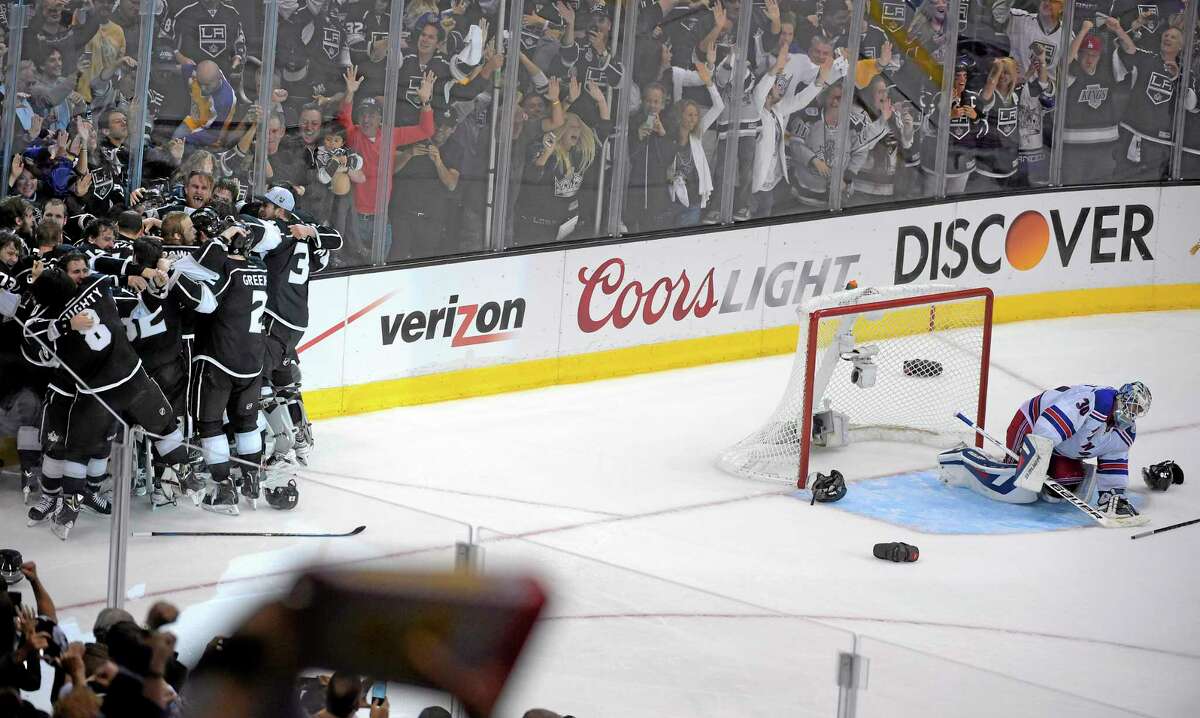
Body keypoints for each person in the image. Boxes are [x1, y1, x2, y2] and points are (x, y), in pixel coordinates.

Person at [939, 382, 1151, 522]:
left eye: (1137, 411)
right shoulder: (1090, 401)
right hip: (1031, 422)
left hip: (1062, 447)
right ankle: (964, 457)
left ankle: (1043, 471)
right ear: (1120, 398)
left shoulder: (1126, 431)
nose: (1130, 413)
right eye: (1130, 406)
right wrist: (1034, 466)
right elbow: (1046, 430)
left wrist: (1113, 495)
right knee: (1018, 489)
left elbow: (1115, 459)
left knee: (1063, 487)